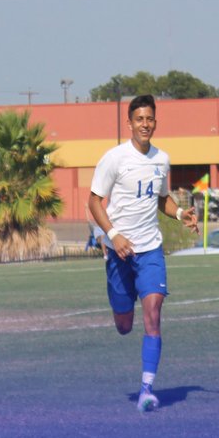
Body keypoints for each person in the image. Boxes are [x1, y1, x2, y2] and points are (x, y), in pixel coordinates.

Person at [88, 94, 197, 412]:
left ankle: (147, 388)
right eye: (139, 119)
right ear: (129, 123)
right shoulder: (114, 159)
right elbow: (95, 201)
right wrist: (112, 235)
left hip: (150, 249)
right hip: (119, 251)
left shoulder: (162, 159)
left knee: (153, 314)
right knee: (124, 324)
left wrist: (180, 214)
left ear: (155, 122)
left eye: (150, 119)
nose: (145, 124)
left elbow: (163, 198)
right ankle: (121, 304)